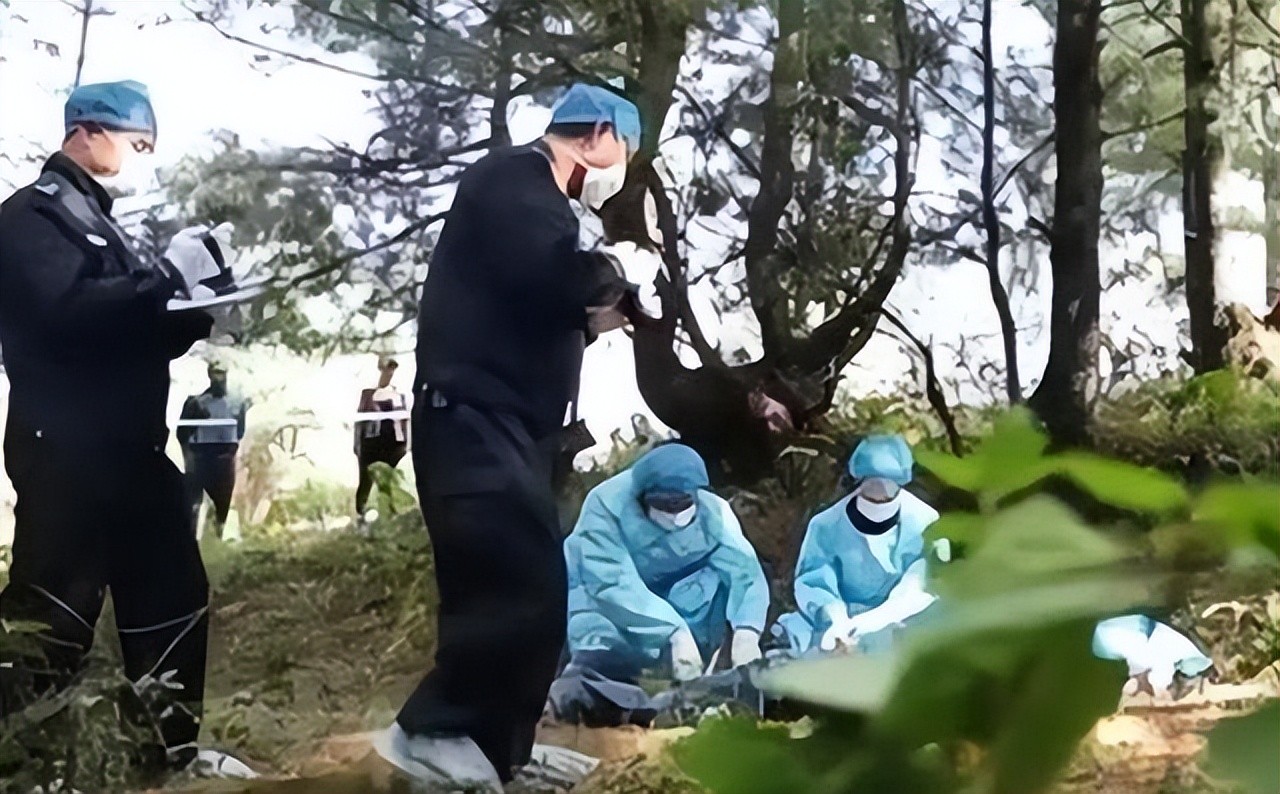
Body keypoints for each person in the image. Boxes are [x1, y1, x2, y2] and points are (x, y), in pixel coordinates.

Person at [373, 83, 647, 792]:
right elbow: (552, 275)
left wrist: (595, 316)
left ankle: (500, 749)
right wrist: (614, 270)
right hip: (470, 417)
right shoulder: (513, 178)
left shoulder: (542, 206)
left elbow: (531, 300)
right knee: (508, 581)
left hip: (511, 426)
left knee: (537, 585)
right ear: (597, 134)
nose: (622, 169)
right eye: (626, 149)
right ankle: (433, 731)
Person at [0, 80, 254, 777]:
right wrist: (167, 274)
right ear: (85, 132)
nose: (143, 158)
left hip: (132, 451)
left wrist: (201, 308)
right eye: (136, 144)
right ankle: (19, 759)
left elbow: (131, 328)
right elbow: (68, 314)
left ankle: (166, 757)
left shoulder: (105, 224)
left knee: (172, 596)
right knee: (53, 614)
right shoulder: (28, 218)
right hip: (67, 453)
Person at [563, 443, 769, 683]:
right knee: (598, 662)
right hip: (608, 607)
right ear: (642, 497)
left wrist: (746, 633)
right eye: (664, 505)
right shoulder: (605, 507)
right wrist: (674, 632)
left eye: (682, 503)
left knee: (718, 590)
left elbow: (745, 572)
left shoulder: (714, 512)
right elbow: (611, 583)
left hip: (678, 603)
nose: (675, 513)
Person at [777, 435, 942, 656]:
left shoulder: (924, 522)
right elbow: (814, 582)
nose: (879, 493)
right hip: (841, 623)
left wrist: (870, 623)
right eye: (871, 485)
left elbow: (918, 587)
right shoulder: (826, 525)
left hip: (903, 621)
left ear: (901, 483)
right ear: (858, 481)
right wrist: (835, 620)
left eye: (887, 488)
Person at [177, 361, 250, 539]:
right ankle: (191, 540)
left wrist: (231, 452)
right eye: (215, 373)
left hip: (225, 458)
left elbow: (240, 431)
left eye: (221, 373)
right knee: (194, 504)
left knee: (222, 505)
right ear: (209, 374)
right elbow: (183, 433)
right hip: (201, 457)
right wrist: (189, 460)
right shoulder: (196, 403)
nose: (219, 378)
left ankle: (218, 537)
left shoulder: (236, 403)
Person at [353, 356, 410, 522]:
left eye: (392, 369)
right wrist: (357, 445)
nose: (389, 373)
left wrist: (407, 443)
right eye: (386, 368)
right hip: (371, 443)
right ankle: (362, 515)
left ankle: (390, 515)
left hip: (394, 444)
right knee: (366, 479)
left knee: (390, 480)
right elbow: (360, 421)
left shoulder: (399, 395)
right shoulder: (368, 394)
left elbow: (404, 421)